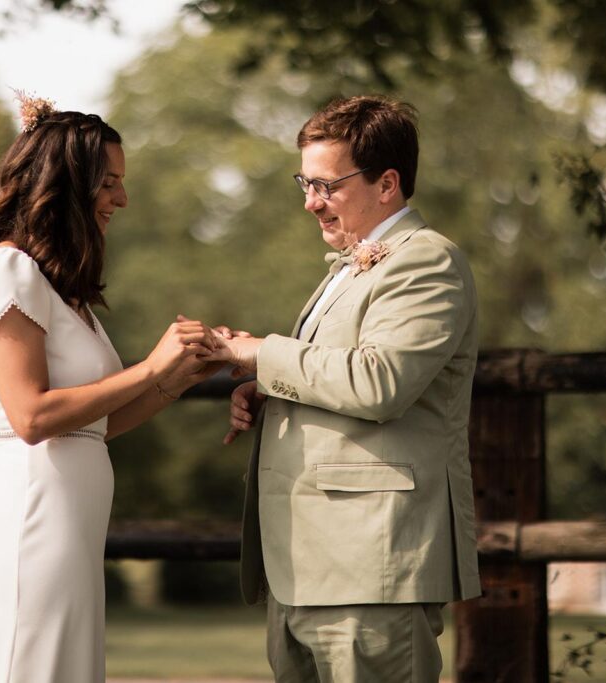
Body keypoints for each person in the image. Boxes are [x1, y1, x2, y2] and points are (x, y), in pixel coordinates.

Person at [212, 95, 482, 682]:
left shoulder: (427, 261)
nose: (311, 202)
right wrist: (270, 390)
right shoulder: (348, 265)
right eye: (304, 184)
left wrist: (259, 352)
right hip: (304, 566)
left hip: (371, 565)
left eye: (326, 186)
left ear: (387, 184)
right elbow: (341, 374)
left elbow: (379, 383)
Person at [0, 96, 218, 683]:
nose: (122, 199)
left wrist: (177, 377)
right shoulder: (9, 270)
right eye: (109, 184)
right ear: (66, 184)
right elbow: (31, 417)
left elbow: (93, 426)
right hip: (33, 516)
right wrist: (149, 367)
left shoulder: (63, 291)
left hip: (70, 526)